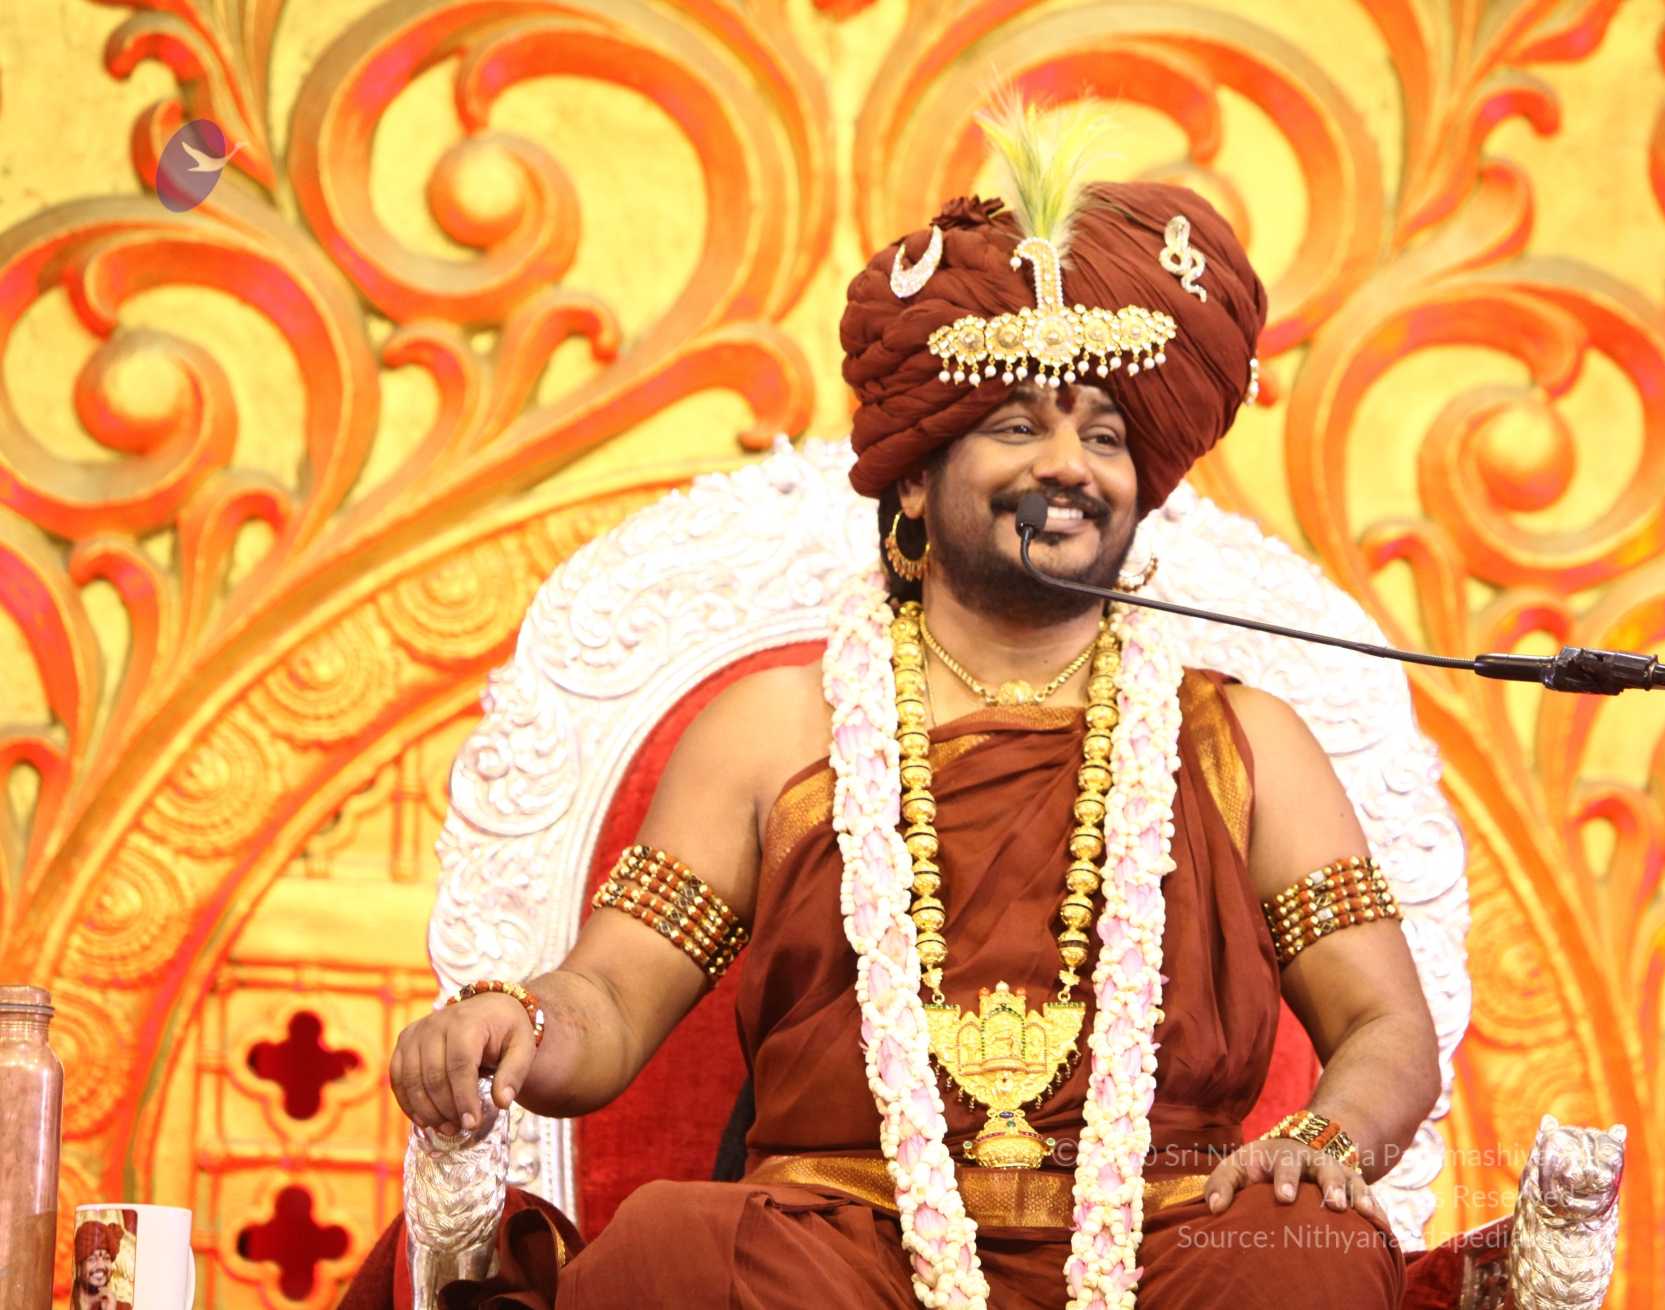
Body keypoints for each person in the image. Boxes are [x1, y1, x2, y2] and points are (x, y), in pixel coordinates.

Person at [379, 103, 1439, 1310]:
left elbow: (1386, 1025)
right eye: (1016, 425)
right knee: (675, 1248)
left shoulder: (1241, 741)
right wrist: (514, 1018)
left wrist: (1328, 1138)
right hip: (840, 1245)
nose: (1069, 465)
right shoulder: (778, 727)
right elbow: (613, 998)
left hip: (1165, 1242)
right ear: (918, 485)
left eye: (1105, 436)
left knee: (1309, 1251)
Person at [72, 1220, 133, 1310]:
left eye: (106, 1258)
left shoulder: (124, 1308)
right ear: (79, 1267)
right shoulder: (62, 1301)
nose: (101, 1265)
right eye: (92, 1259)